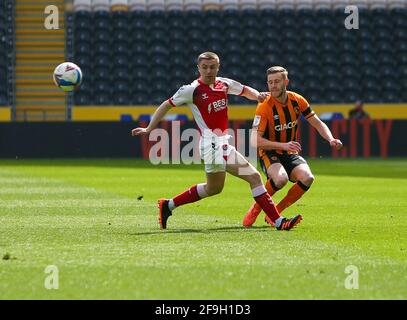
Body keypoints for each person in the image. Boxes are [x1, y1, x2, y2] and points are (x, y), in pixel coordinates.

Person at [131, 52, 302, 231]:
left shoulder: (223, 83)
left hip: (218, 143)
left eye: (212, 67)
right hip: (212, 144)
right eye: (204, 67)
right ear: (198, 68)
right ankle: (278, 221)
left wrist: (258, 95)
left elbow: (243, 90)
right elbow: (166, 104)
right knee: (254, 177)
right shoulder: (191, 90)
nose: (209, 70)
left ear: (218, 67)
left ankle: (168, 205)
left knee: (213, 188)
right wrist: (149, 128)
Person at [243, 66, 343, 227]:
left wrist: (331, 139)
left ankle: (275, 212)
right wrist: (283, 145)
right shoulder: (264, 106)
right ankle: (256, 208)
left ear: (286, 82)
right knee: (280, 179)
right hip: (269, 152)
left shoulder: (297, 100)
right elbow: (255, 140)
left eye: (277, 81)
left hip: (288, 151)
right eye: (270, 82)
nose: (273, 86)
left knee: (307, 178)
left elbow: (317, 123)